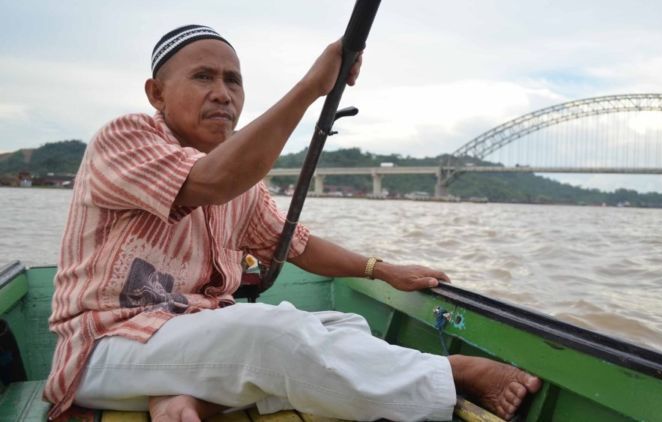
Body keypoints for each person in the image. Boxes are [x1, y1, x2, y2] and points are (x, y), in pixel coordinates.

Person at [44, 25, 540, 421]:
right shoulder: (125, 139)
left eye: (232, 81)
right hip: (107, 346)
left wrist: (381, 269)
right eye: (203, 78)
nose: (223, 94)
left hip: (188, 335)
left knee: (347, 324)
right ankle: (450, 374)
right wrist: (310, 88)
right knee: (268, 332)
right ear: (157, 93)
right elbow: (210, 181)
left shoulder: (241, 179)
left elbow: (295, 244)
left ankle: (190, 396)